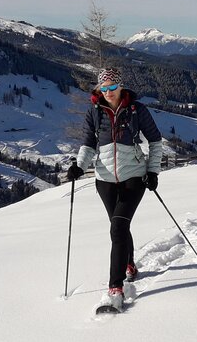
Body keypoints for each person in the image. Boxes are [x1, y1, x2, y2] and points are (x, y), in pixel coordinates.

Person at [67, 67, 163, 311]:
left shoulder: (137, 110)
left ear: (121, 86)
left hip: (134, 177)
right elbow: (88, 144)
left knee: (118, 227)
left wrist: (153, 171)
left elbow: (155, 140)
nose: (108, 92)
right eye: (104, 88)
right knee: (118, 226)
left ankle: (115, 289)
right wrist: (80, 166)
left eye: (112, 87)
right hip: (104, 179)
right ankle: (129, 264)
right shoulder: (94, 112)